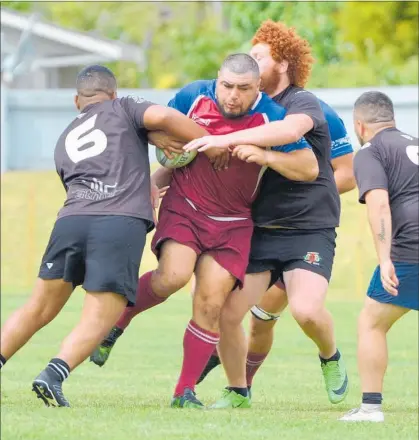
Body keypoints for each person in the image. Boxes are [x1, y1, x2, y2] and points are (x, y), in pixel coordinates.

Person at [90, 54, 314, 409]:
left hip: (234, 223)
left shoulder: (271, 117)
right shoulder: (193, 96)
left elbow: (309, 167)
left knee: (211, 303)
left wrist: (267, 156)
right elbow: (150, 127)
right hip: (186, 207)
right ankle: (120, 319)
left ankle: (184, 392)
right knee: (172, 277)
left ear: (258, 87)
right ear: (217, 79)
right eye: (226, 85)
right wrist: (161, 149)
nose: (232, 96)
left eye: (243, 89)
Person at [0, 64, 210, 407]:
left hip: (70, 220)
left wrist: (144, 139)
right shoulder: (125, 107)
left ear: (76, 100)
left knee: (38, 307)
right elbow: (162, 116)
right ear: (112, 93)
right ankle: (53, 374)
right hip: (117, 221)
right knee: (101, 314)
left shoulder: (65, 136)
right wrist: (206, 139)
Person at [185, 21, 349, 408]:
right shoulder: (243, 105)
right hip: (259, 229)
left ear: (284, 63)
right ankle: (238, 391)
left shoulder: (302, 102)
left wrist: (238, 143)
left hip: (308, 228)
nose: (251, 62)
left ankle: (330, 356)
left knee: (307, 312)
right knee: (227, 313)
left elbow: (291, 131)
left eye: (260, 56)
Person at [339, 92, 418, 422]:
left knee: (371, 321)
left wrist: (385, 259)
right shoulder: (414, 142)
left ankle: (371, 408)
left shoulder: (370, 151)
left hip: (410, 249)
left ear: (359, 125)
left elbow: (379, 204)